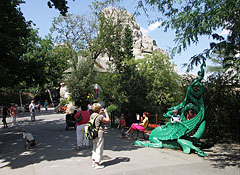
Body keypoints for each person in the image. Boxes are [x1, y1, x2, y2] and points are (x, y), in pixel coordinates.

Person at [91, 103, 110, 169]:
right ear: (98, 109)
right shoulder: (100, 116)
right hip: (99, 133)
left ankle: (94, 161)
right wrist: (106, 113)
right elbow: (107, 120)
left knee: (94, 147)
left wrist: (100, 113)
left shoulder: (92, 115)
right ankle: (97, 163)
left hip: (93, 133)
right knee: (99, 148)